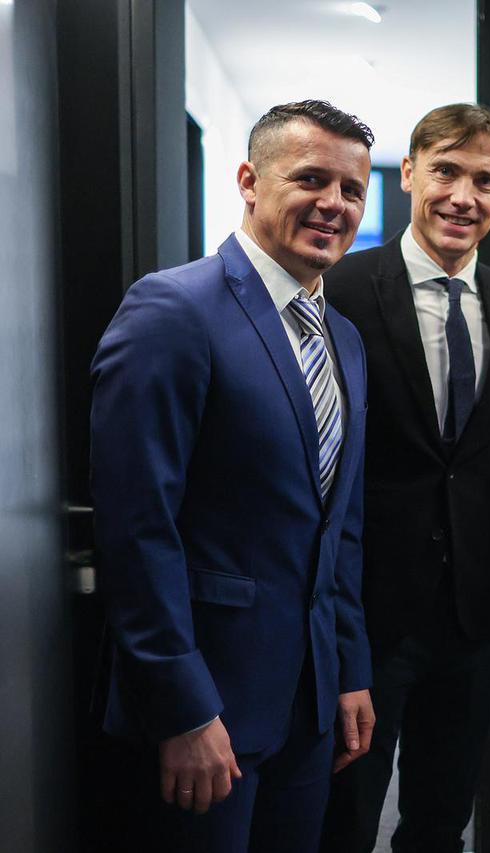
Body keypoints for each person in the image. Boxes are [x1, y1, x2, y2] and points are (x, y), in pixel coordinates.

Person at [90, 99, 377, 853]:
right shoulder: (172, 310)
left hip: (309, 711)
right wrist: (182, 707)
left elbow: (340, 525)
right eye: (310, 179)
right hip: (204, 717)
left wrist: (349, 668)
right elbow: (136, 529)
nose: (334, 204)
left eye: (352, 190)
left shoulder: (344, 339)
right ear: (249, 181)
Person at [319, 103, 490, 853]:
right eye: (446, 171)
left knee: (441, 821)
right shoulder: (340, 290)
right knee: (344, 821)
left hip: (469, 616)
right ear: (411, 174)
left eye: (485, 180)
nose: (462, 196)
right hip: (365, 615)